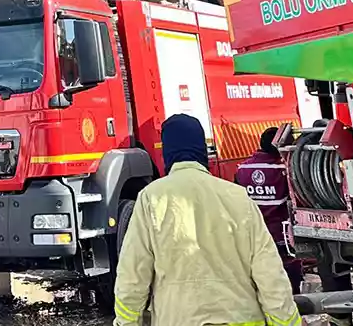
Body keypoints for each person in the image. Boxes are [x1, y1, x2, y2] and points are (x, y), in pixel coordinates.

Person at [112, 114, 301, 326]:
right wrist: (287, 323)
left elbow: (132, 275)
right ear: (202, 149)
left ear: (167, 153)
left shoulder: (151, 198)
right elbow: (270, 275)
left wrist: (127, 322)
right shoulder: (238, 197)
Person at [236, 127, 304, 292]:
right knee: (289, 287)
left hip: (254, 237)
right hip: (283, 239)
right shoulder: (284, 170)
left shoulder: (242, 169)